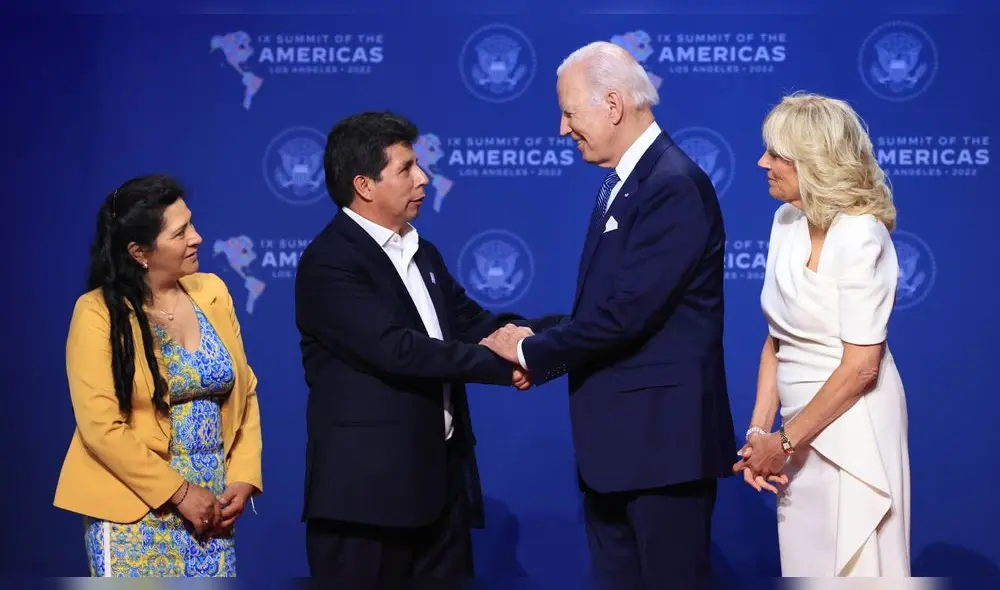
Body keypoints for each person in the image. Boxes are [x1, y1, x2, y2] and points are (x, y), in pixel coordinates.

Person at [479, 41, 736, 581]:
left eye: (570, 112)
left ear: (613, 105)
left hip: (662, 450)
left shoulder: (673, 185)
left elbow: (627, 314)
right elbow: (606, 306)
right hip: (621, 452)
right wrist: (536, 333)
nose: (561, 129)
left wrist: (531, 350)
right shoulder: (623, 185)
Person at [295, 111, 531, 579]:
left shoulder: (421, 251)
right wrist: (509, 366)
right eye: (406, 168)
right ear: (364, 185)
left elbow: (473, 324)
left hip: (438, 493)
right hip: (366, 505)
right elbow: (398, 350)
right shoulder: (330, 263)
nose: (423, 178)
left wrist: (549, 336)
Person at [732, 92, 910, 577]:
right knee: (809, 565)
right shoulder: (785, 221)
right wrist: (758, 432)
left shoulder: (860, 235)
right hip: (795, 433)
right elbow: (777, 339)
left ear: (813, 161)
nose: (761, 162)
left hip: (854, 424)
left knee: (858, 569)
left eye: (776, 154)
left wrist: (783, 443)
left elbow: (861, 367)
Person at [54, 174, 263, 577]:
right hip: (134, 509)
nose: (197, 237)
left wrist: (242, 476)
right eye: (181, 232)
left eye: (192, 224)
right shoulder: (97, 313)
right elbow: (100, 427)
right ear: (139, 251)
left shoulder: (212, 291)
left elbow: (246, 391)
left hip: (211, 512)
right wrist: (180, 493)